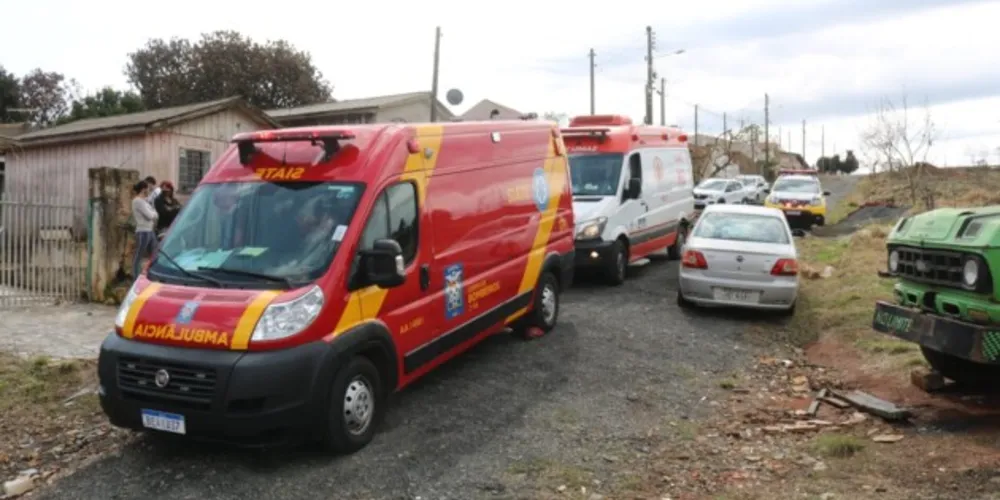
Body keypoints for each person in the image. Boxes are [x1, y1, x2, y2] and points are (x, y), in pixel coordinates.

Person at [132, 181, 159, 279]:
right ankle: (135, 278)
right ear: (143, 189)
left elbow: (155, 213)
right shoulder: (137, 201)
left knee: (155, 254)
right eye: (147, 188)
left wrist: (154, 214)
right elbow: (150, 215)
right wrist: (153, 214)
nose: (149, 190)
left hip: (150, 231)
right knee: (139, 256)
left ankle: (151, 275)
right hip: (143, 231)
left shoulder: (145, 201)